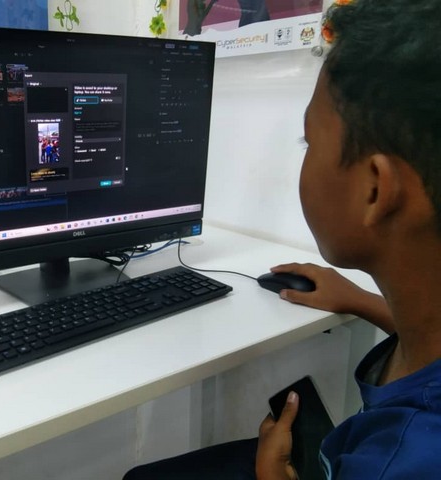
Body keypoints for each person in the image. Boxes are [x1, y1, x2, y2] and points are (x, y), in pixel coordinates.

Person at [124, 0, 441, 478]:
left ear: (375, 190)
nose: (306, 155)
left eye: (309, 142)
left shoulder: (398, 462)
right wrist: (362, 301)